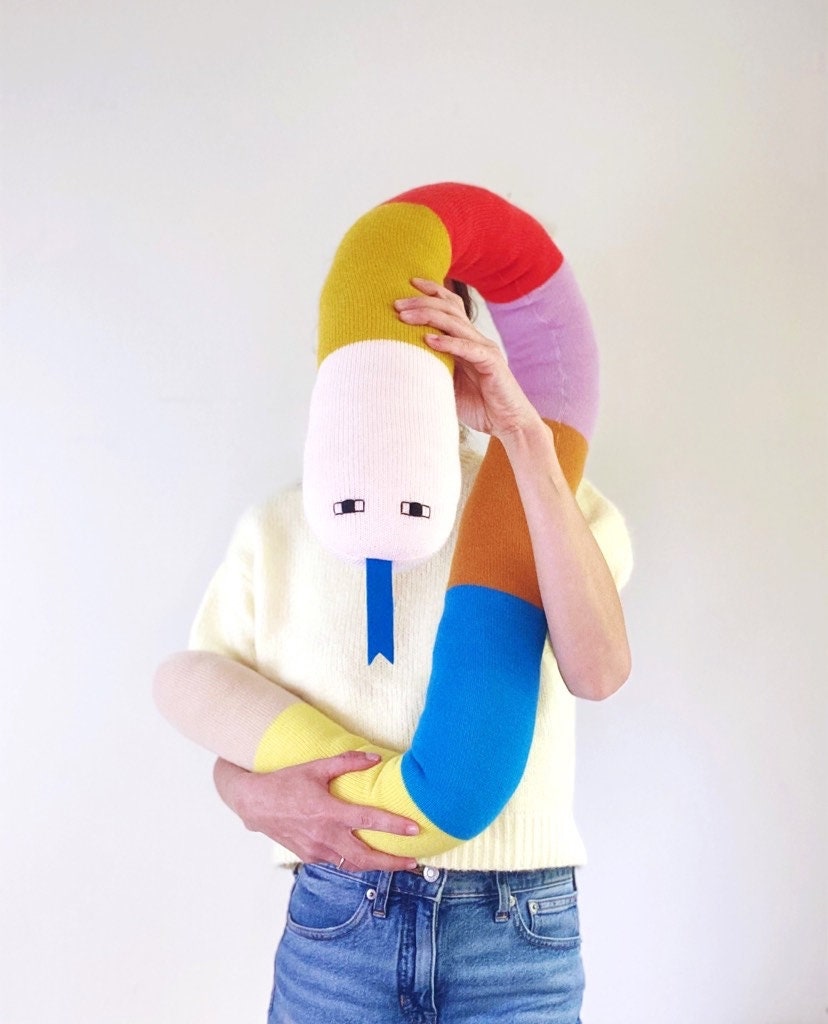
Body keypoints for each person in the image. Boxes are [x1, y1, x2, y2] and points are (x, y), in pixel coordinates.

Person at [160, 272, 632, 1024]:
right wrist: (251, 799)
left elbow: (600, 670)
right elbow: (216, 714)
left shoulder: (547, 500)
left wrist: (521, 438)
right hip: (341, 921)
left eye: (427, 343)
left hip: (514, 929)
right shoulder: (279, 528)